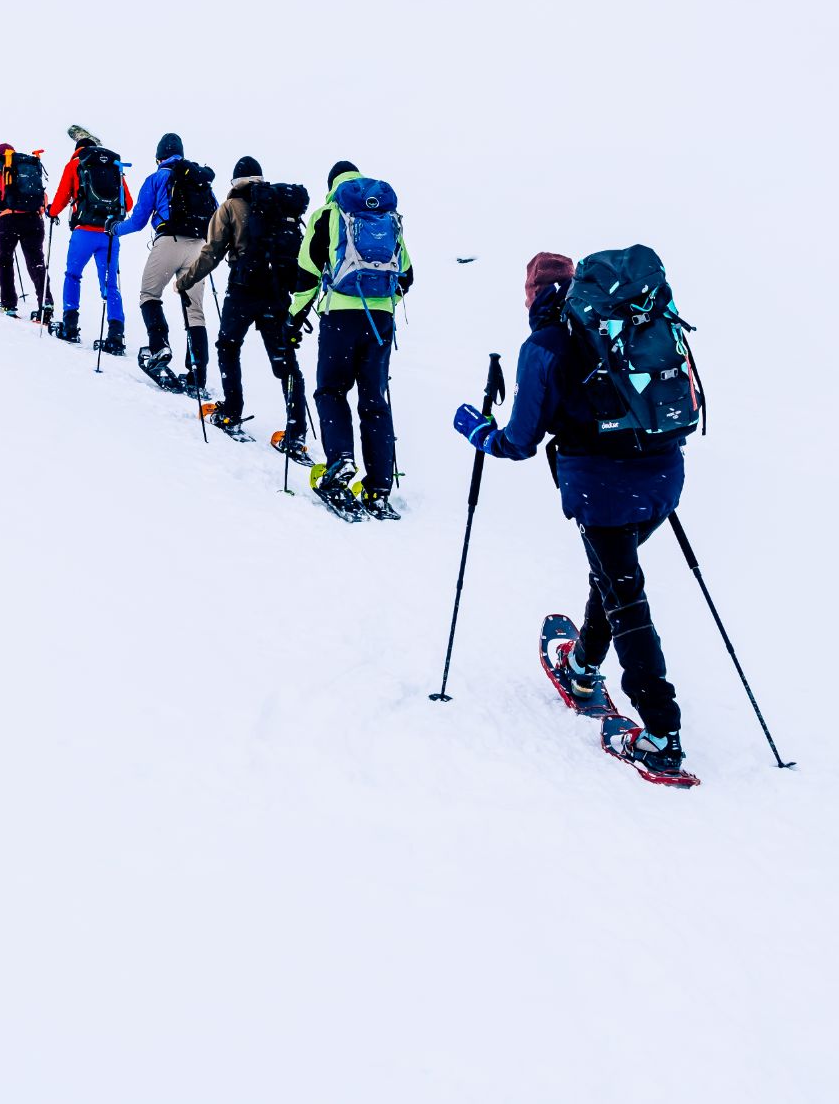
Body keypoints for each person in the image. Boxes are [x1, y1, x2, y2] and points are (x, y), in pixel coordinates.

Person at [453, 253, 688, 779]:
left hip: (600, 487)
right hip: (664, 475)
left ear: (533, 294)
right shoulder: (624, 324)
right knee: (613, 575)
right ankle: (582, 666)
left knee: (624, 593)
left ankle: (661, 736)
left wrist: (475, 430)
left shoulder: (544, 346)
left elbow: (519, 442)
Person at [288, 160, 413, 518]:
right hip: (381, 320)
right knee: (374, 399)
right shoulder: (388, 216)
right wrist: (382, 305)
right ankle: (378, 486)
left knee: (331, 390)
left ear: (332, 184)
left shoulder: (327, 214)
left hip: (339, 316)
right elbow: (406, 274)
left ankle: (341, 460)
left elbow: (307, 271)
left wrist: (295, 318)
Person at [177, 156, 311, 459]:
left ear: (235, 180)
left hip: (243, 290)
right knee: (285, 361)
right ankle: (296, 429)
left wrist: (185, 281)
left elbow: (212, 253)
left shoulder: (230, 207)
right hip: (276, 293)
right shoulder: (280, 205)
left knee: (228, 346)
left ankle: (232, 409)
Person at [116, 133, 214, 394]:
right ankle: (197, 374)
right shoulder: (200, 179)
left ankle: (159, 345)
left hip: (169, 240)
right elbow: (215, 215)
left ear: (159, 156)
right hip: (199, 246)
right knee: (194, 310)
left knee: (149, 294)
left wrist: (114, 229)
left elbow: (137, 222)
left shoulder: (157, 178)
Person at [45, 125, 132, 352]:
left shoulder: (75, 164)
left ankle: (70, 325)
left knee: (73, 275)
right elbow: (128, 203)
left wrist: (51, 212)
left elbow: (62, 197)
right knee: (110, 284)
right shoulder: (114, 168)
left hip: (83, 233)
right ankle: (115, 334)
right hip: (109, 235)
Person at [0, 142, 53, 319]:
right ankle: (46, 301)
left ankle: (9, 304)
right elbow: (42, 196)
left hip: (9, 219)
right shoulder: (29, 166)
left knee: (5, 260)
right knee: (36, 262)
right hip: (34, 219)